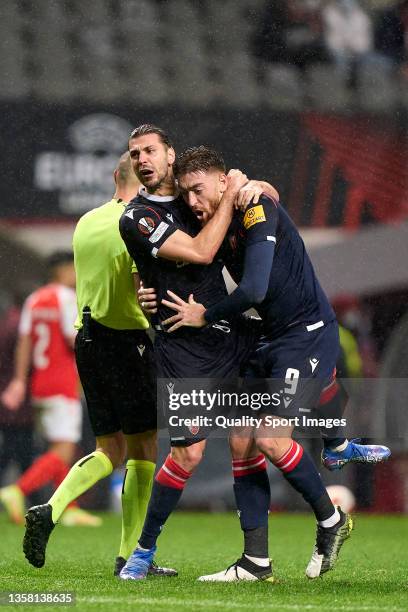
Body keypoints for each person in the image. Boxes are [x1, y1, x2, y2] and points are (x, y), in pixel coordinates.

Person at [159, 145, 391, 580]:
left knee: (269, 437)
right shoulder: (214, 215)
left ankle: (331, 518)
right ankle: (255, 562)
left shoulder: (254, 209)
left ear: (223, 181)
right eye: (186, 193)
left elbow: (255, 290)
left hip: (305, 335)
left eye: (198, 190)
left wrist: (203, 315)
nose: (192, 201)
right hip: (269, 338)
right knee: (241, 440)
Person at [118, 124, 279, 582]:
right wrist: (231, 192)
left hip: (228, 334)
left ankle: (256, 560)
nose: (142, 159)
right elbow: (201, 252)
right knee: (188, 455)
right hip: (183, 347)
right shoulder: (138, 216)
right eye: (134, 155)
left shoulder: (198, 192)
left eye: (150, 150)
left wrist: (248, 183)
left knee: (245, 438)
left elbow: (264, 197)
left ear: (171, 155)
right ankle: (143, 551)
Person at [22, 153, 176, 578]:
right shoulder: (135, 224)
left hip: (87, 343)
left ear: (114, 177)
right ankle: (130, 557)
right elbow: (136, 286)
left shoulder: (86, 222)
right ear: (146, 182)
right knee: (143, 452)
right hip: (127, 343)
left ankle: (50, 509)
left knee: (107, 448)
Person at [0, 252, 99, 528]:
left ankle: (68, 507)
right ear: (64, 270)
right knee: (64, 450)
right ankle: (17, 489)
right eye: (75, 269)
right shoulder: (67, 299)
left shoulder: (35, 299)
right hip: (62, 384)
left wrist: (20, 380)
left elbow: (25, 342)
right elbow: (73, 339)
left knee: (58, 446)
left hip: (40, 385)